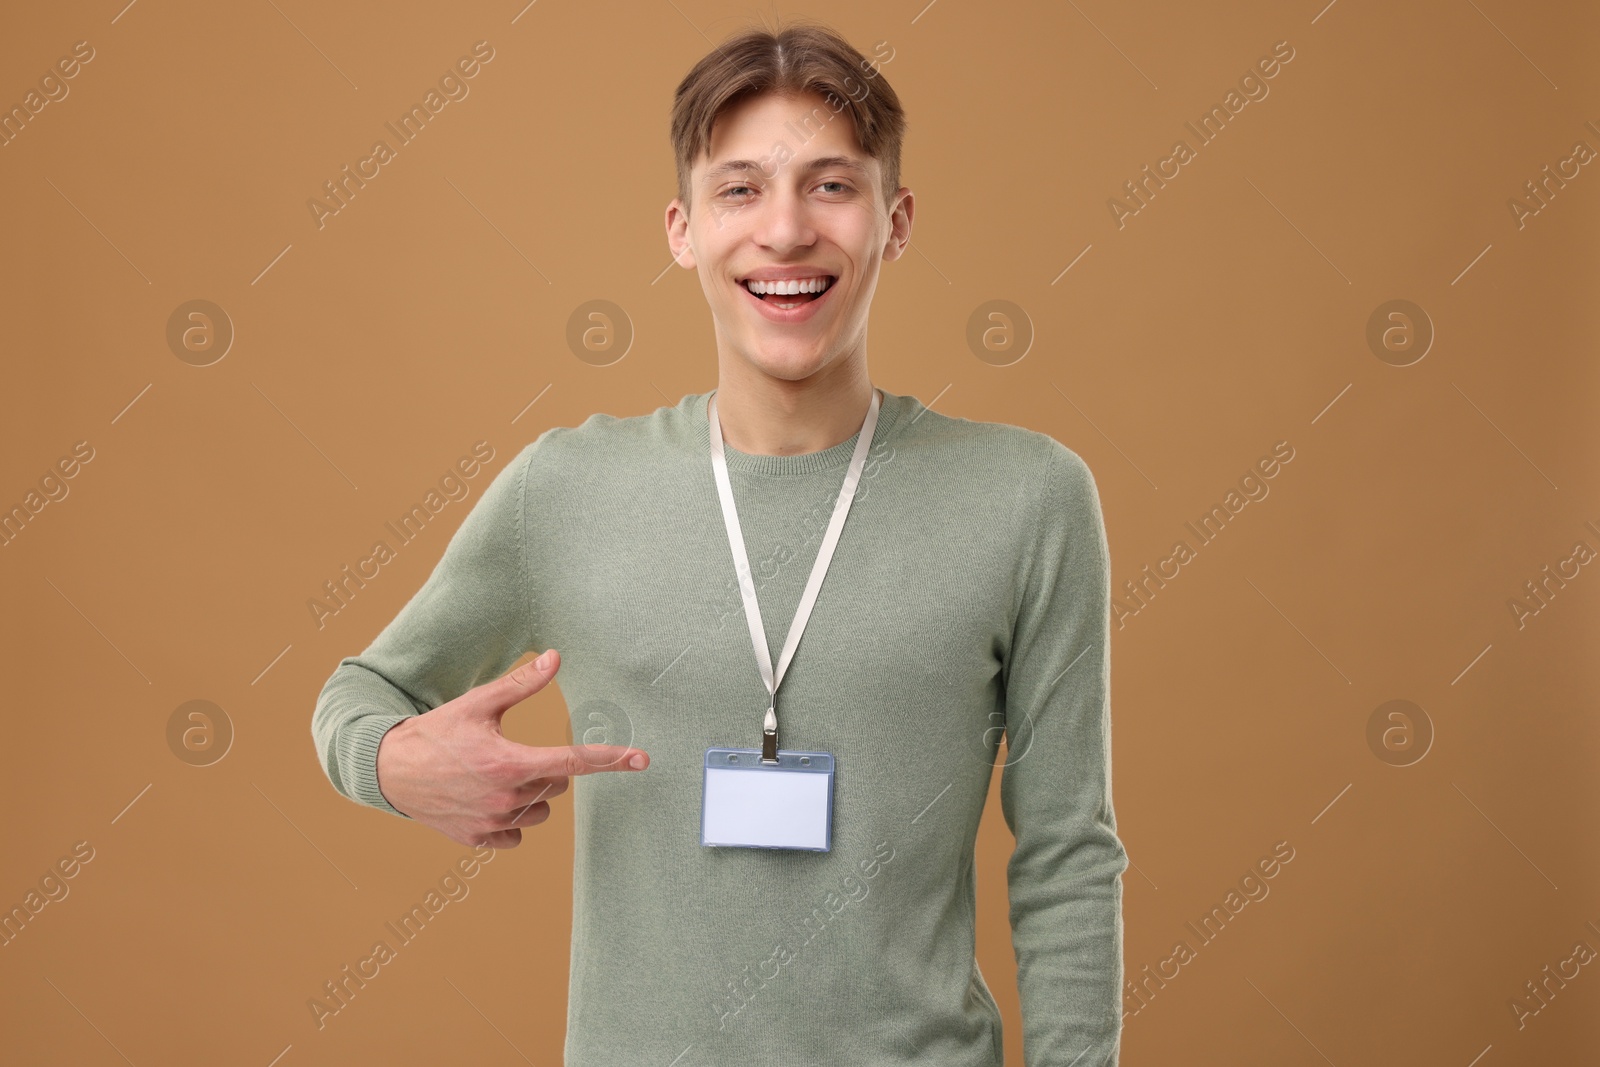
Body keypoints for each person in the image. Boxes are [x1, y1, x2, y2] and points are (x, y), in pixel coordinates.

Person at [311, 16, 1127, 1066]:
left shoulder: (1028, 497)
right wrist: (388, 761)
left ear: (896, 219)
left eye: (831, 185)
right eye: (739, 189)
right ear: (681, 229)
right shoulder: (568, 489)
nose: (784, 232)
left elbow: (1067, 851)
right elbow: (356, 692)